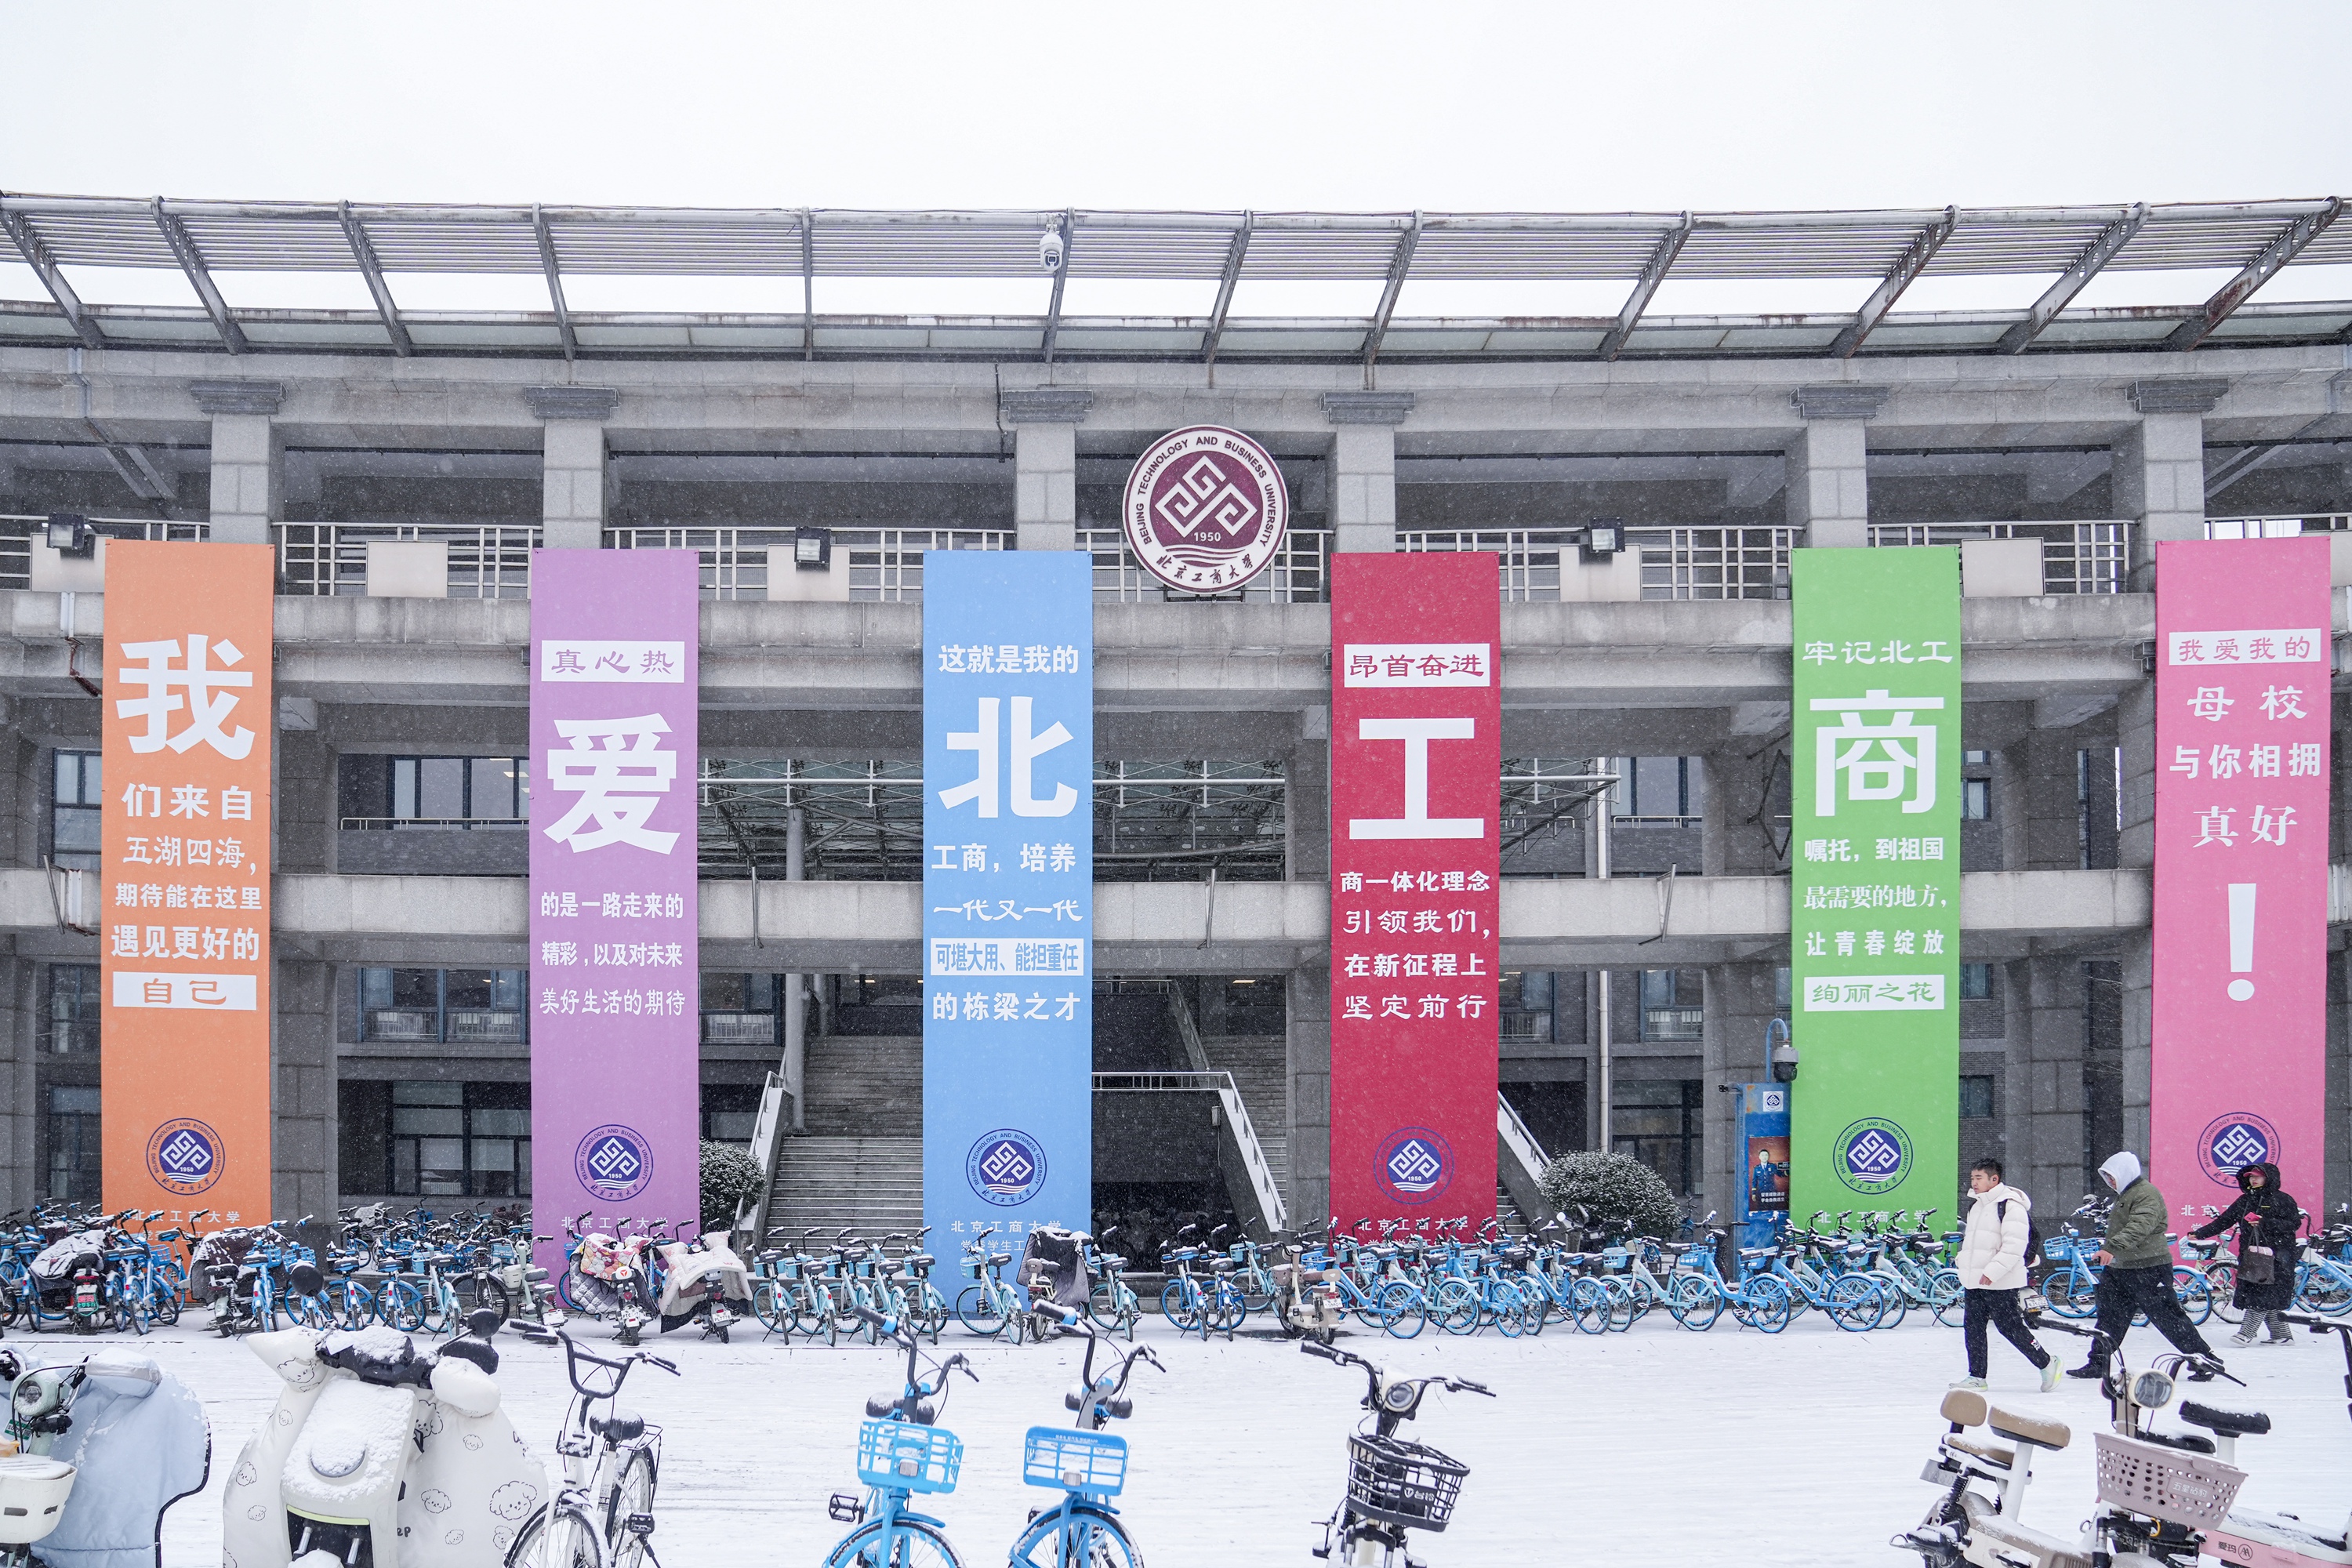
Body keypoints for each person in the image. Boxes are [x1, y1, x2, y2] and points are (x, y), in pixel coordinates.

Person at [2067, 1150, 2220, 1380]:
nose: (2110, 1182)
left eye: (2112, 1176)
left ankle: (2205, 1360)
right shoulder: (2126, 1194)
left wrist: (2112, 1247)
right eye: (2106, 1177)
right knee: (2110, 1319)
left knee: (2168, 1319)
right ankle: (2098, 1363)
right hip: (2120, 1269)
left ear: (2125, 1172)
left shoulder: (2146, 1194)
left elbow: (2140, 1226)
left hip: (2149, 1268)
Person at [1951, 1156, 2056, 1392]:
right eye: (1972, 1178)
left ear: (1994, 1179)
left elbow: (2014, 1246)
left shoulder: (2010, 1206)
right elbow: (1973, 1243)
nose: (1974, 1182)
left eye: (1979, 1178)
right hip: (1975, 1280)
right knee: (1973, 1328)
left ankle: (2047, 1362)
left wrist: (1993, 1271)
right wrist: (1963, 1262)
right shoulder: (1976, 1206)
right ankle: (1976, 1376)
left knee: (2010, 1328)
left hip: (2001, 1280)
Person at [2191, 1160, 2300, 1347]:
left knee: (2262, 1294)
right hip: (2252, 1254)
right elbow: (2224, 1220)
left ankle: (2246, 1333)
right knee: (2265, 1294)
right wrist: (2200, 1233)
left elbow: (2293, 1224)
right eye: (2250, 1177)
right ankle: (2282, 1335)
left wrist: (2265, 1222)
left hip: (2278, 1255)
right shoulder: (2245, 1200)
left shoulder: (2283, 1199)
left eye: (2258, 1176)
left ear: (2269, 1178)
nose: (2253, 1180)